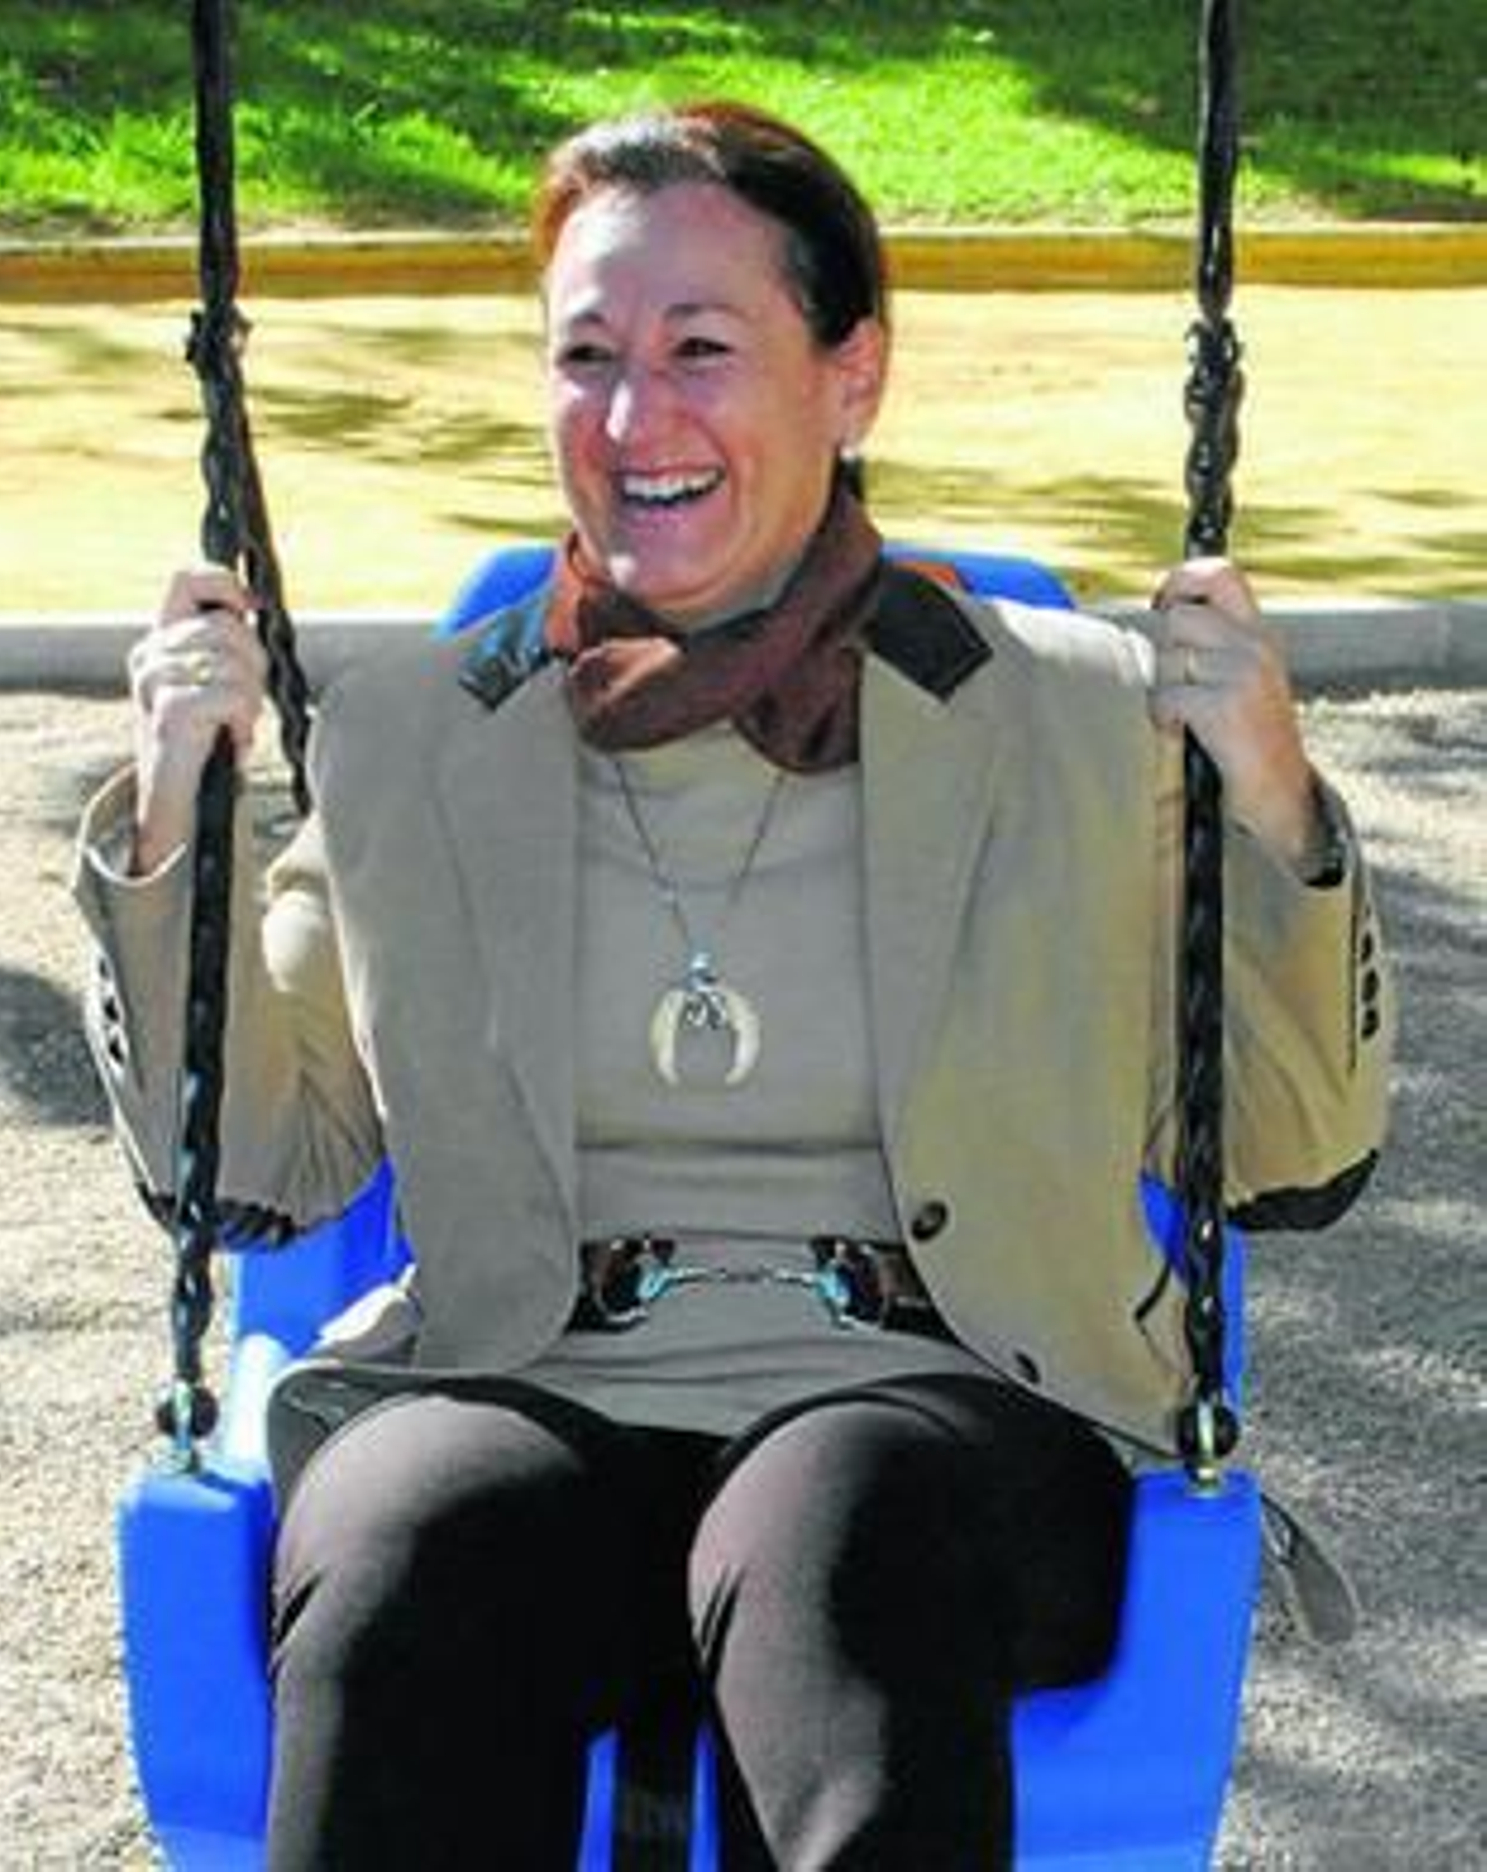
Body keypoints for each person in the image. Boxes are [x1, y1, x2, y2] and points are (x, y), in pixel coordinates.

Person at [76, 101, 1390, 1870]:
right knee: (410, 1533)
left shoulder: (1077, 717)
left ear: (854, 378)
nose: (636, 421)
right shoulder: (413, 739)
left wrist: (1274, 795)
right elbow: (251, 1173)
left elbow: (1291, 1162)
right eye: (587, 358)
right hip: (526, 1379)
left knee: (835, 1511)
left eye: (701, 349)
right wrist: (175, 816)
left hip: (953, 1407)